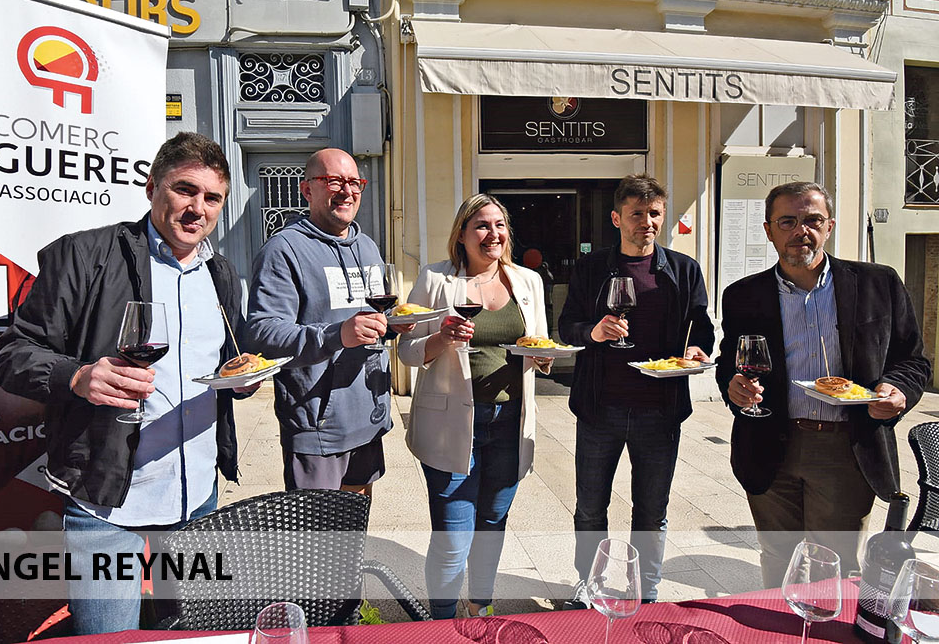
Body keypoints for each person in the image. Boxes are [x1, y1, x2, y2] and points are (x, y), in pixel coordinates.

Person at [0, 132, 258, 635]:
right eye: (185, 190)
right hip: (106, 503)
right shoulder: (83, 255)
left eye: (212, 198)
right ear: (152, 187)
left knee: (194, 637)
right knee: (111, 639)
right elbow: (11, 355)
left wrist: (239, 380)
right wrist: (76, 376)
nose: (197, 209)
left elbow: (224, 359)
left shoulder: (221, 273)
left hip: (198, 497)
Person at [718, 181, 931, 588]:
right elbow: (731, 363)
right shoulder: (743, 295)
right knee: (779, 560)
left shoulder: (878, 283)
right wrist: (735, 388)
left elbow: (913, 360)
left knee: (836, 567)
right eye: (788, 221)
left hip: (846, 447)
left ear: (829, 226)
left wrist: (898, 390)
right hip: (769, 444)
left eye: (813, 220)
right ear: (768, 230)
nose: (801, 231)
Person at [558, 173, 714, 606]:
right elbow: (567, 326)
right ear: (616, 218)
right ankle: (589, 584)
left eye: (654, 213)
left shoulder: (683, 269)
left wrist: (697, 349)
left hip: (659, 410)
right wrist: (594, 332)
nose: (647, 222)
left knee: (651, 509)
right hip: (600, 408)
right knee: (591, 507)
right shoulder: (591, 268)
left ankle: (646, 590)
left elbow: (700, 325)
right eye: (637, 214)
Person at [398, 194, 551, 619]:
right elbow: (406, 351)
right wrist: (440, 338)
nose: (492, 234)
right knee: (453, 538)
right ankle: (443, 622)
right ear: (462, 234)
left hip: (510, 423)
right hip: (451, 425)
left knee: (492, 527)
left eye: (499, 225)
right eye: (482, 225)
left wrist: (543, 357)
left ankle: (479, 608)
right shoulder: (436, 279)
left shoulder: (527, 282)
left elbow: (538, 344)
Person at [245, 148, 409, 496]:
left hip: (368, 418)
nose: (346, 191)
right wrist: (337, 335)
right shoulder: (283, 250)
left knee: (354, 524)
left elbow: (373, 321)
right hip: (317, 427)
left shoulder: (367, 247)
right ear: (307, 190)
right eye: (333, 181)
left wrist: (393, 326)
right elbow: (263, 333)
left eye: (354, 182)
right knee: (318, 530)